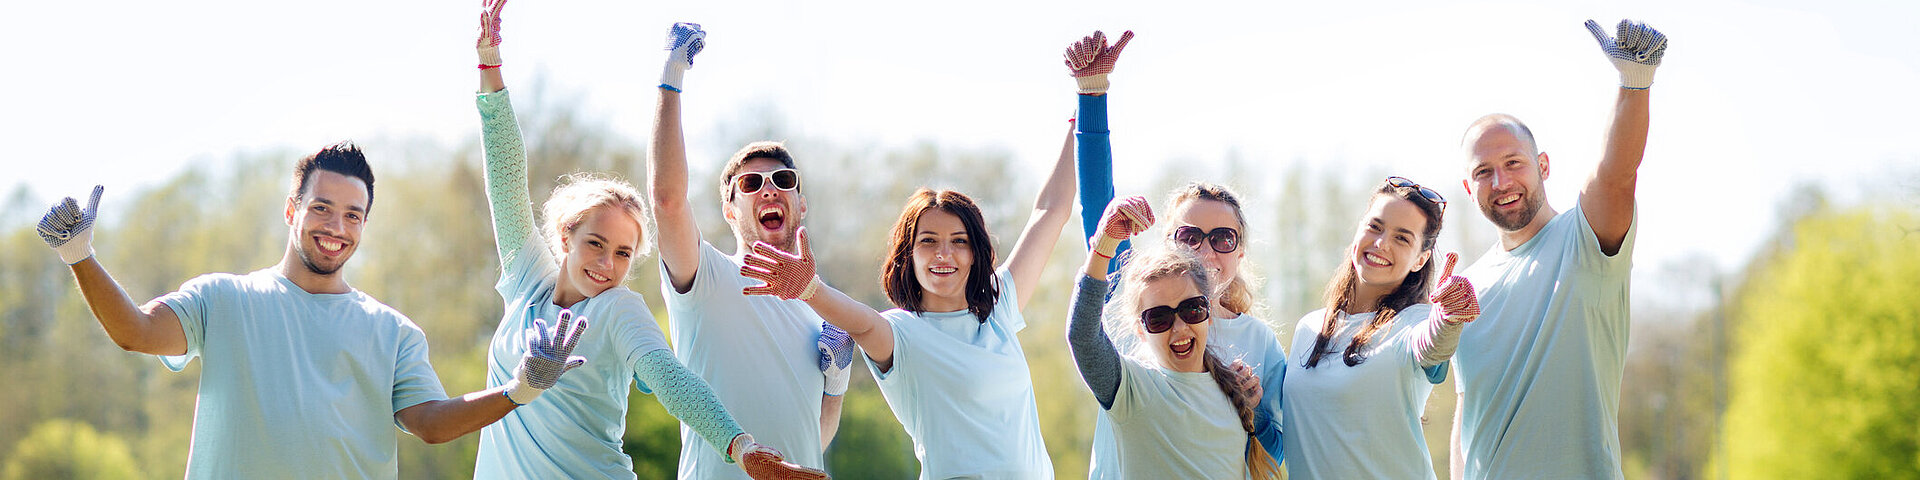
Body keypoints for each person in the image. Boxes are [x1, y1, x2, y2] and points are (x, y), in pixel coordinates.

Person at [34, 142, 584, 479]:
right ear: (291, 210)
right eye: (322, 208)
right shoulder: (221, 299)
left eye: (353, 215)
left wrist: (518, 390)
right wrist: (80, 256)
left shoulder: (394, 332)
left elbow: (432, 424)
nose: (336, 227)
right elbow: (135, 332)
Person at [464, 4, 824, 478]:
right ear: (565, 236)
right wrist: (490, 65)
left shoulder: (619, 309)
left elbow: (672, 381)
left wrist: (740, 447)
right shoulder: (526, 281)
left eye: (623, 253)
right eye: (596, 244)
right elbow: (505, 183)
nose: (607, 264)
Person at [736, 119, 1076, 477]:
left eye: (958, 241)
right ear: (908, 256)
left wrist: (1083, 108)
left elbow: (1051, 210)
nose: (943, 253)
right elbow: (862, 323)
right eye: (928, 241)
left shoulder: (1000, 306)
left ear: (975, 253)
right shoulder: (901, 333)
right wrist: (809, 289)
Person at [1447, 19, 1666, 479]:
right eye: (1484, 172)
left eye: (1514, 163)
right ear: (1469, 188)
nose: (1501, 182)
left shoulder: (1584, 238)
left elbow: (1614, 174)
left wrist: (1634, 84)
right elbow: (1467, 414)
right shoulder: (1466, 287)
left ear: (1543, 166)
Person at [1068, 29, 1285, 477]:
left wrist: (1256, 410)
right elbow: (1098, 205)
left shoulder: (1259, 341)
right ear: (1168, 242)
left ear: (1240, 253)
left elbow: (1280, 452)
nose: (1205, 249)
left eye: (1222, 238)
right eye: (1190, 236)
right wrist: (1092, 95)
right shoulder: (1139, 299)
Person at [646, 22, 851, 478]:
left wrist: (835, 385)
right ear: (729, 210)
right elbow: (667, 200)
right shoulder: (706, 278)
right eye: (751, 183)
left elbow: (811, 439)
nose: (768, 189)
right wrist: (671, 76)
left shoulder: (820, 307)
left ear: (801, 204)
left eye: (782, 180)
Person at [1279, 177, 1480, 479]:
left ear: (1420, 259)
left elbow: (1433, 346)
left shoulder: (1416, 321)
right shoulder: (1308, 327)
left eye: (1402, 238)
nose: (1381, 243)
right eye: (1375, 227)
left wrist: (1447, 320)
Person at [1066, 196, 1281, 478]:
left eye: (1192, 310)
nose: (1179, 327)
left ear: (1209, 312)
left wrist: (1255, 410)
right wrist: (1104, 244)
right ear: (1140, 329)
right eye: (1159, 318)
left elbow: (1270, 454)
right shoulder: (1131, 389)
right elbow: (1083, 337)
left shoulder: (1233, 394)